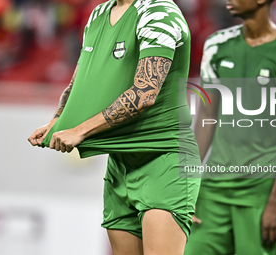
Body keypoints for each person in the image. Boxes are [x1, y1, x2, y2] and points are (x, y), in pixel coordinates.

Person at [28, 0, 201, 254]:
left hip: (164, 159)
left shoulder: (159, 12)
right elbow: (85, 77)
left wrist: (80, 131)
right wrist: (58, 121)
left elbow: (145, 93)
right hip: (120, 161)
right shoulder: (98, 13)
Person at [184, 0, 276, 254]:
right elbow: (206, 117)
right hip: (213, 190)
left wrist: (275, 202)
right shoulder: (216, 45)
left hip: (260, 194)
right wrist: (189, 187)